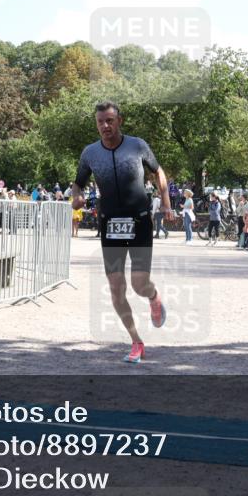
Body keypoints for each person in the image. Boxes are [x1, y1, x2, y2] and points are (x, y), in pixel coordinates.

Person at [71, 101, 173, 364]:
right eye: (100, 122)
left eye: (109, 121)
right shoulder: (90, 153)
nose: (105, 126)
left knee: (139, 285)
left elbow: (158, 171)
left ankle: (154, 297)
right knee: (116, 288)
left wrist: (166, 201)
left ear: (119, 121)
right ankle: (136, 341)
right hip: (111, 224)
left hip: (138, 222)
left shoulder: (137, 145)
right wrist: (77, 197)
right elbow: (77, 183)